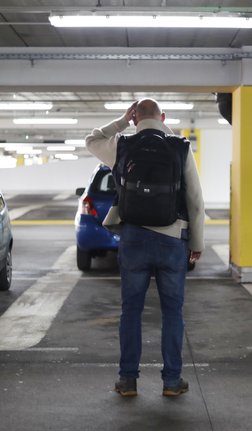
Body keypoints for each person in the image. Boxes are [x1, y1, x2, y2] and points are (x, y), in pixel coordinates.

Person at [85, 98, 205, 397]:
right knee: (172, 312)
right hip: (171, 239)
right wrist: (197, 242)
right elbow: (196, 201)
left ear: (135, 117)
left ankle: (127, 381)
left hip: (134, 238)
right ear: (163, 117)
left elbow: (91, 139)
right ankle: (172, 381)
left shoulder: (122, 145)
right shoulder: (180, 147)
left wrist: (122, 122)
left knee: (131, 311)